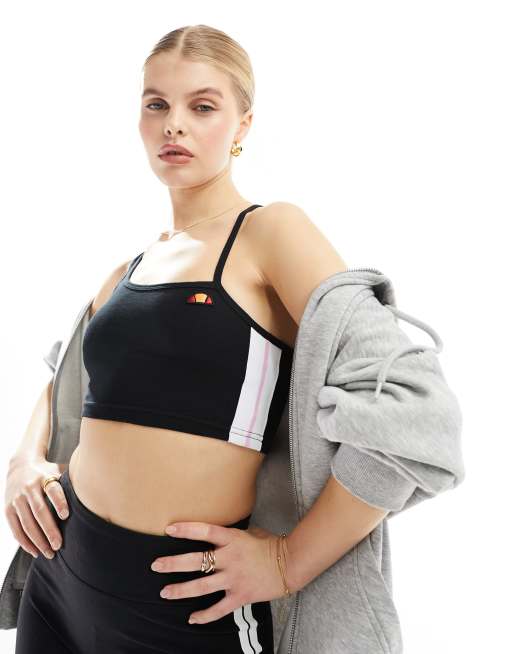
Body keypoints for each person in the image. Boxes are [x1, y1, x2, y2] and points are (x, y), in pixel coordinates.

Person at [8, 24, 366, 653]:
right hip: (62, 576)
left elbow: (405, 406)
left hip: (185, 606)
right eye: (157, 104)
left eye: (202, 106)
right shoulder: (131, 269)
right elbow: (68, 379)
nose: (174, 124)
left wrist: (287, 562)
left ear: (242, 126)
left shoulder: (270, 234)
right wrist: (22, 462)